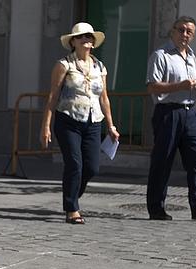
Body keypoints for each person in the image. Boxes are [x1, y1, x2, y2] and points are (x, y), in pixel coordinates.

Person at [40, 22, 119, 225]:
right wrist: (45, 125)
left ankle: (73, 194)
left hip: (93, 121)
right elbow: (53, 96)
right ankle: (72, 209)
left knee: (91, 168)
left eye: (90, 37)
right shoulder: (64, 65)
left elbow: (104, 98)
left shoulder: (100, 66)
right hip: (68, 120)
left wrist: (111, 126)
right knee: (74, 164)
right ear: (73, 41)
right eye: (82, 37)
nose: (87, 40)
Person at [145, 16, 196, 221]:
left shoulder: (192, 57)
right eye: (182, 30)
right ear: (173, 31)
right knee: (163, 161)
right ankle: (156, 207)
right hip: (168, 113)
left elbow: (191, 85)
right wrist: (179, 86)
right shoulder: (161, 55)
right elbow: (152, 86)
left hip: (190, 114)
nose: (185, 35)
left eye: (189, 32)